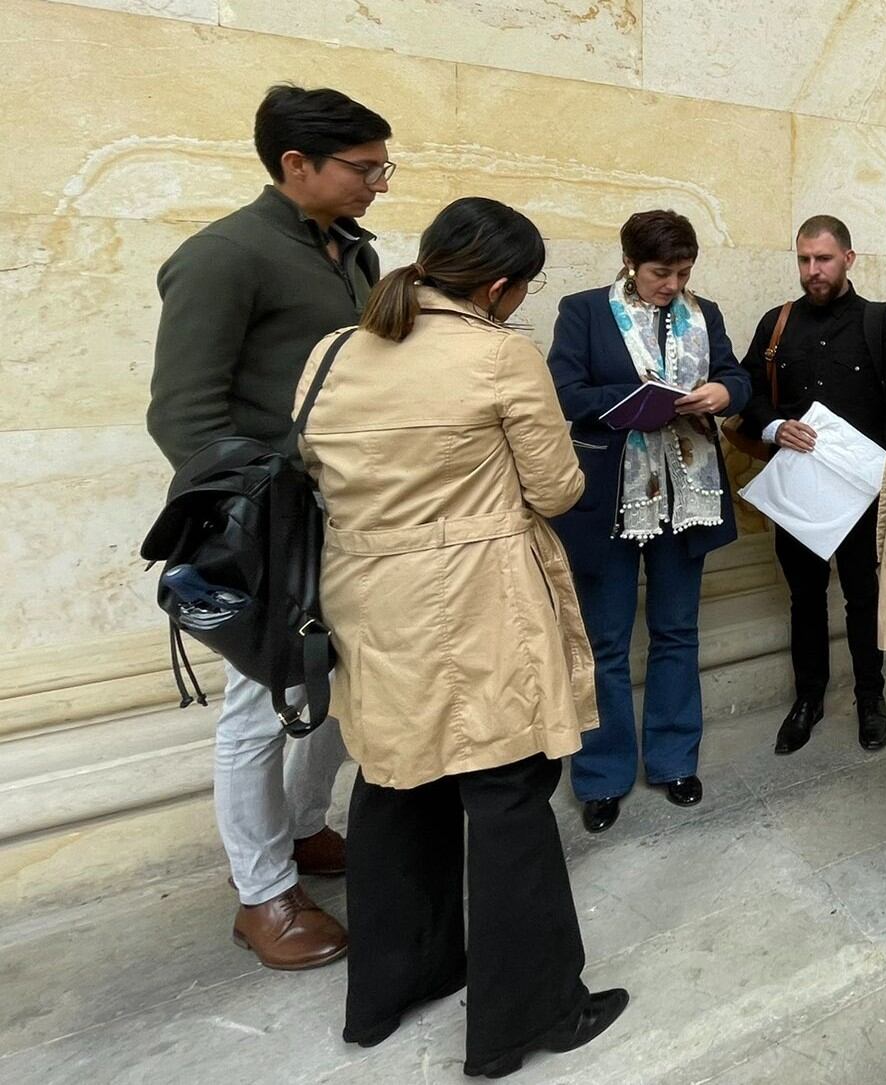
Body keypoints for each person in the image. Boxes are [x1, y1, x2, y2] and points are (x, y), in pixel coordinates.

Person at [297, 197, 627, 1079]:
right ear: (499, 284)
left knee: (395, 784)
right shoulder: (498, 355)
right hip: (478, 601)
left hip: (367, 598)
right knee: (507, 791)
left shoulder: (331, 353)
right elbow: (557, 488)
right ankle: (528, 1013)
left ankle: (387, 991)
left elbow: (319, 471)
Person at [144, 84, 392, 971]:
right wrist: (265, 508)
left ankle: (304, 828)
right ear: (297, 166)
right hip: (269, 530)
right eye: (365, 169)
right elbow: (182, 415)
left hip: (347, 516)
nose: (380, 184)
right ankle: (263, 893)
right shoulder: (222, 255)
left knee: (330, 683)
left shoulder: (353, 255)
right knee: (258, 707)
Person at [547, 210, 751, 834]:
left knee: (676, 632)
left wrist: (723, 394)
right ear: (630, 262)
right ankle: (602, 776)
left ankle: (673, 760)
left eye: (684, 272)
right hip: (612, 497)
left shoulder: (704, 312)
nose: (673, 285)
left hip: (687, 496)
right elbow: (563, 390)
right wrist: (632, 403)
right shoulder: (583, 310)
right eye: (662, 272)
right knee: (605, 643)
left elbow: (735, 376)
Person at [740, 215, 886, 756]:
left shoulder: (879, 323)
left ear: (849, 259)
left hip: (862, 496)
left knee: (864, 598)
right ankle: (807, 700)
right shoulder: (776, 324)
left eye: (824, 259)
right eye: (804, 260)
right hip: (797, 495)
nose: (812, 271)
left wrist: (877, 469)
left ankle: (870, 699)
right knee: (804, 599)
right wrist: (773, 427)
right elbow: (745, 394)